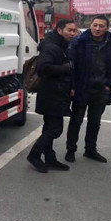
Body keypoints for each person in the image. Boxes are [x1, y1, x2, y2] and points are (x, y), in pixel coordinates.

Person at [65, 15, 111, 163]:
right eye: (95, 25)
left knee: (95, 122)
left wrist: (109, 85)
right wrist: (72, 86)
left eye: (101, 26)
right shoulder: (79, 42)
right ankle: (71, 150)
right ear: (90, 26)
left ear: (107, 28)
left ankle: (90, 150)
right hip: (82, 88)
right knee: (76, 120)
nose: (97, 29)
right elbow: (71, 67)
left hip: (101, 90)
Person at [27, 19, 79, 172]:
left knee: (49, 127)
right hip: (52, 94)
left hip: (57, 93)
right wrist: (66, 68)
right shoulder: (51, 47)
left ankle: (50, 158)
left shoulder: (61, 45)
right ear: (59, 30)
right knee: (55, 129)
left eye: (74, 30)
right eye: (69, 30)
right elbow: (43, 69)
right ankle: (34, 155)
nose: (72, 33)